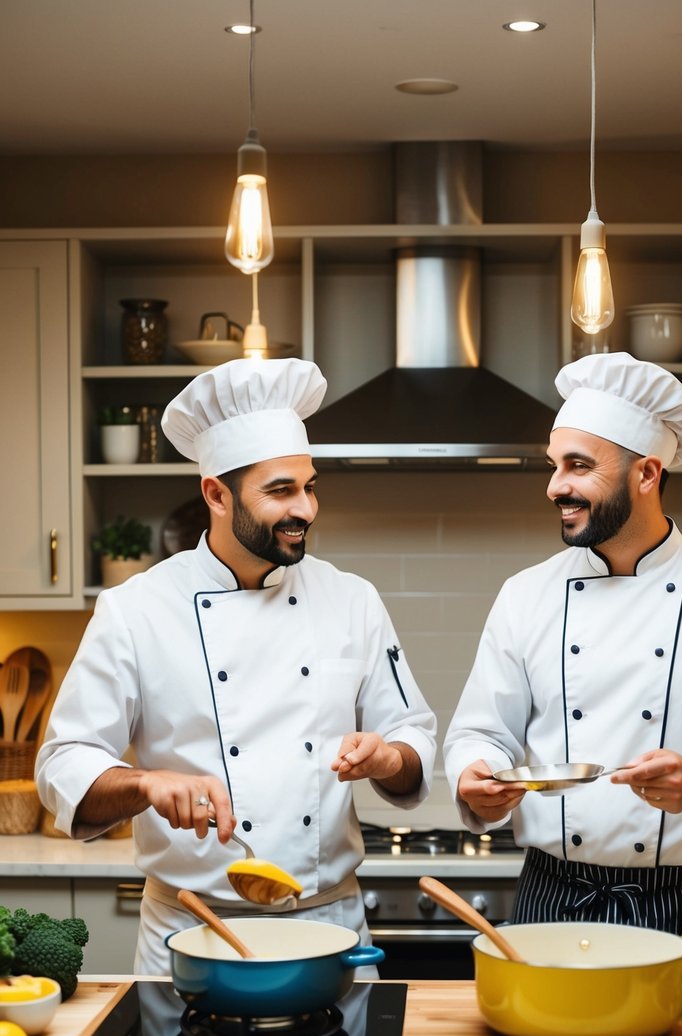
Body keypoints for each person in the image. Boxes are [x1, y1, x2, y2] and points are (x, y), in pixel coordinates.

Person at [36, 358, 437, 975]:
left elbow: (412, 738)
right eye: (280, 491)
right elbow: (62, 764)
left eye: (310, 486)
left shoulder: (351, 599)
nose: (305, 507)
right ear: (216, 495)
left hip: (330, 928)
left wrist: (388, 758)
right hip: (194, 935)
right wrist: (145, 784)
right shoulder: (136, 610)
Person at [443, 351, 682, 970]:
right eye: (553, 466)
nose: (554, 486)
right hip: (550, 896)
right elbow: (480, 730)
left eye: (578, 466)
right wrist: (478, 775)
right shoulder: (526, 594)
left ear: (646, 473)